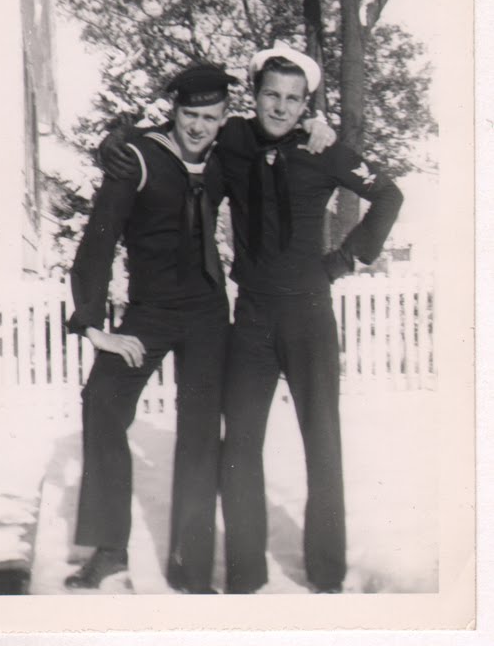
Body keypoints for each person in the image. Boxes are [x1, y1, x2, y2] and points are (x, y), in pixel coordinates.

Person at [100, 42, 403, 595]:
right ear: (256, 96)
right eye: (271, 96)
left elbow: (388, 194)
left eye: (293, 99)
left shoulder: (323, 148)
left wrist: (343, 260)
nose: (281, 108)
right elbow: (177, 131)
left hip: (309, 313)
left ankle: (327, 573)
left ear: (306, 104)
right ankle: (245, 573)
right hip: (253, 317)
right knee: (239, 447)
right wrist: (116, 142)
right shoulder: (235, 138)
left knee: (321, 440)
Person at [65, 64, 237, 594]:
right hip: (151, 311)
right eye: (190, 115)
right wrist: (93, 325)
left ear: (224, 117)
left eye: (211, 117)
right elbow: (99, 239)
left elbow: (276, 136)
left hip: (207, 313)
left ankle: (191, 563)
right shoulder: (138, 158)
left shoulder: (227, 154)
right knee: (102, 400)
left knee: (201, 429)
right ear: (174, 110)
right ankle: (109, 550)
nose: (199, 127)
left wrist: (317, 126)